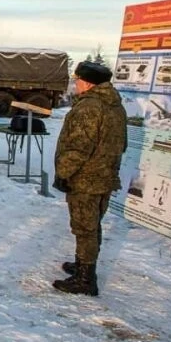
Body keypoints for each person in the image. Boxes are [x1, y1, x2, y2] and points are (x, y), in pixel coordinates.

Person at [52, 60, 128, 296]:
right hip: (105, 176)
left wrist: (63, 173)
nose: (75, 84)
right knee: (92, 225)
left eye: (77, 80)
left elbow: (78, 147)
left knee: (84, 228)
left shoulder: (89, 107)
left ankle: (85, 278)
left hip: (85, 178)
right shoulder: (115, 105)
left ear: (86, 82)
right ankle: (83, 263)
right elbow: (122, 144)